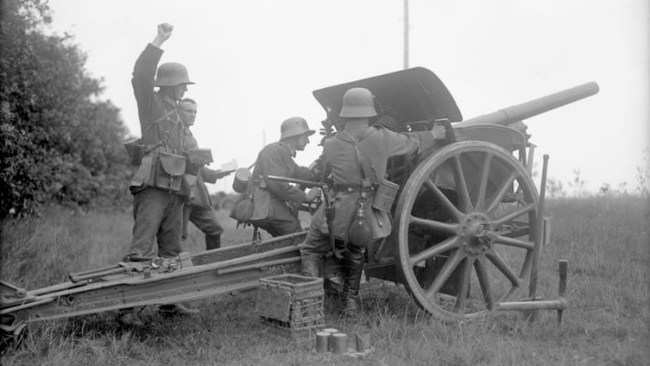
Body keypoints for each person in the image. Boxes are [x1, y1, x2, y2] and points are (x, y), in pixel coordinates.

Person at [300, 87, 448, 316]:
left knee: (310, 248)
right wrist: (435, 134)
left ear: (345, 114)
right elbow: (413, 142)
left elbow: (324, 174)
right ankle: (349, 303)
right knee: (356, 250)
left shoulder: (331, 143)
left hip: (334, 210)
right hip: (365, 212)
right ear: (369, 112)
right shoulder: (383, 138)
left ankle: (308, 303)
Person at [119, 23, 198, 326]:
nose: (185, 89)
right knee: (141, 249)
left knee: (172, 249)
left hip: (174, 188)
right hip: (153, 185)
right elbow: (140, 76)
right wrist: (158, 41)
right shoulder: (151, 104)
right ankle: (126, 309)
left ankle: (169, 302)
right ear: (167, 84)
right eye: (182, 84)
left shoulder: (178, 116)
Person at [246, 117, 322, 237]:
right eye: (305, 137)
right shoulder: (273, 151)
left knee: (285, 241)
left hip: (271, 203)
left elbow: (299, 172)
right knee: (297, 236)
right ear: (295, 136)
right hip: (267, 204)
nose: (308, 141)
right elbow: (278, 184)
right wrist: (306, 197)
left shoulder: (282, 153)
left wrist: (320, 172)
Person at [178, 98, 227, 251]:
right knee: (178, 236)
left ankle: (212, 264)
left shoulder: (190, 136)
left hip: (198, 195)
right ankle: (170, 270)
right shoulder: (174, 134)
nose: (193, 115)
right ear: (179, 112)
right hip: (180, 193)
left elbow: (198, 170)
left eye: (195, 112)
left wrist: (217, 173)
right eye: (189, 111)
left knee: (215, 229)